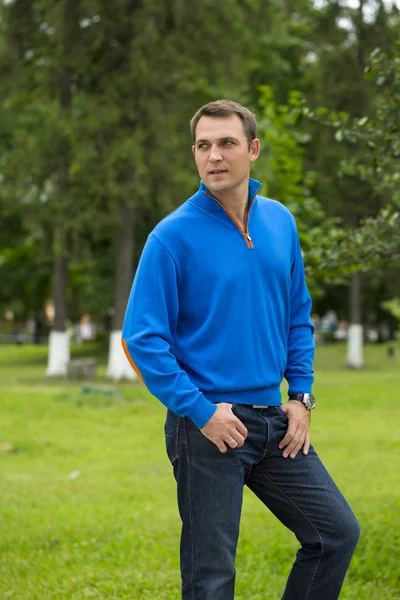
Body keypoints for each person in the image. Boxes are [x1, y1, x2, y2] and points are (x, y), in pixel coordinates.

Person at [121, 100, 360, 600]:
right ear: (194, 154)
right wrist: (202, 412)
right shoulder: (170, 237)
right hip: (208, 427)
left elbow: (297, 315)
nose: (214, 156)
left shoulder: (279, 222)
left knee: (334, 534)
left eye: (227, 143)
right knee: (211, 579)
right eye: (203, 146)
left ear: (252, 149)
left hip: (275, 420)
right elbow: (142, 339)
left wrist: (302, 396)